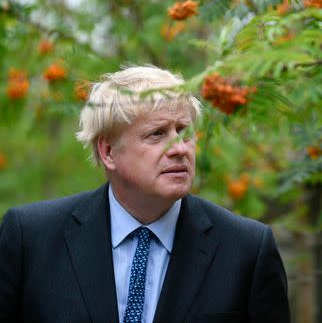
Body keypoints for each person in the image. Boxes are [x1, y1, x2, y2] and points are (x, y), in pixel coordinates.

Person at [0, 65, 291, 322]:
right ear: (108, 151)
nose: (179, 148)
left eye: (184, 131)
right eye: (157, 134)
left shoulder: (246, 249)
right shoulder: (31, 238)